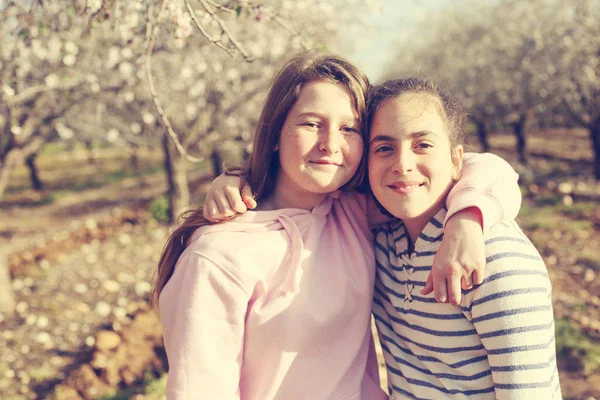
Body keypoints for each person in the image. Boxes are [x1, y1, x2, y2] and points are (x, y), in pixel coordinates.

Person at [155, 51, 521, 400]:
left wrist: (466, 221)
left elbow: (483, 168)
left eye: (349, 129)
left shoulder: (351, 212)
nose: (331, 144)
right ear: (275, 133)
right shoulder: (218, 257)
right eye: (311, 124)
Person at [368, 78, 561, 398]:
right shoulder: (381, 241)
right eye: (384, 148)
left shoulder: (494, 258)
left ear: (458, 160)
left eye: (423, 145)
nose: (402, 164)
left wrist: (466, 221)